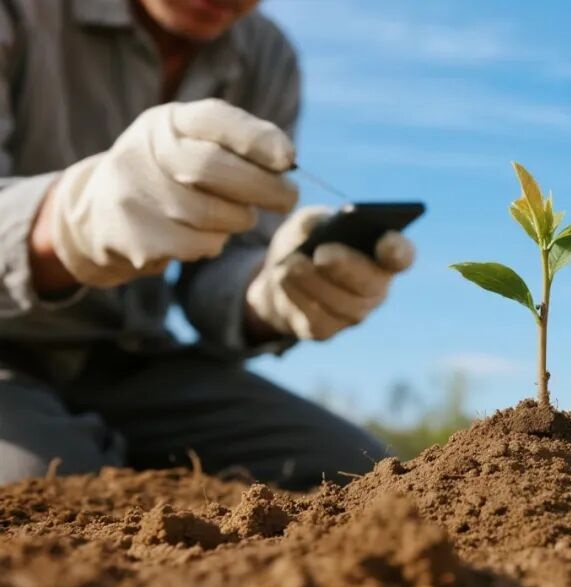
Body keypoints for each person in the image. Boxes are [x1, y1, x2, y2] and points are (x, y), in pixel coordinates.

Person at [0, 0, 411, 489]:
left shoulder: (267, 56)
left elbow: (223, 264)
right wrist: (66, 222)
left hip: (133, 362)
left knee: (364, 475)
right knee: (36, 485)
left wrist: (267, 292)